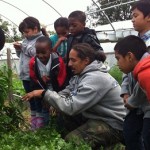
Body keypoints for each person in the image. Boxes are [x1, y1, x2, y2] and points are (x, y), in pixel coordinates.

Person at [22, 43, 126, 149]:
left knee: (73, 140)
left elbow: (70, 107)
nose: (69, 64)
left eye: (73, 60)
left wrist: (44, 93)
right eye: (69, 60)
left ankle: (113, 145)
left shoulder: (95, 78)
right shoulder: (81, 75)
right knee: (62, 116)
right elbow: (68, 91)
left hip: (114, 124)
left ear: (86, 60)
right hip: (98, 117)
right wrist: (52, 100)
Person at [120, 1, 150, 150]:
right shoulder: (134, 41)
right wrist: (125, 91)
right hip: (133, 100)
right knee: (130, 133)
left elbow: (146, 77)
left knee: (145, 136)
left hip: (144, 101)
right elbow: (126, 70)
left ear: (148, 17)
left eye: (135, 15)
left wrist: (132, 100)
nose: (132, 19)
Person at [114, 35, 150, 150]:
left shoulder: (145, 73)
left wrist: (131, 102)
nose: (117, 63)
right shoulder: (142, 68)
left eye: (118, 58)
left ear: (130, 56)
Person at [13, 16, 48, 130]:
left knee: (38, 102)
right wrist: (18, 49)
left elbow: (36, 53)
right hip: (25, 75)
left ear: (36, 29)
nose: (25, 34)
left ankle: (40, 127)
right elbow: (21, 56)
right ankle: (34, 126)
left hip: (35, 76)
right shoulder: (26, 41)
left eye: (27, 32)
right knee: (31, 101)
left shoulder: (41, 40)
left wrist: (23, 46)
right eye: (24, 33)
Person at [29, 36, 66, 129]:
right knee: (44, 107)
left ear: (51, 50)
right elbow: (34, 78)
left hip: (56, 87)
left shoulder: (58, 61)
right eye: (38, 52)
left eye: (43, 52)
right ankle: (45, 128)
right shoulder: (33, 62)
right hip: (41, 88)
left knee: (58, 108)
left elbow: (61, 79)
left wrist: (55, 95)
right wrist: (44, 95)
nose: (40, 55)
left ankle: (59, 127)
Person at [66, 10, 103, 82]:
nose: (71, 28)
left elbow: (100, 54)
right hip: (73, 72)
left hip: (88, 73)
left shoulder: (89, 37)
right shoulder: (70, 38)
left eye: (74, 25)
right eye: (69, 25)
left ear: (83, 24)